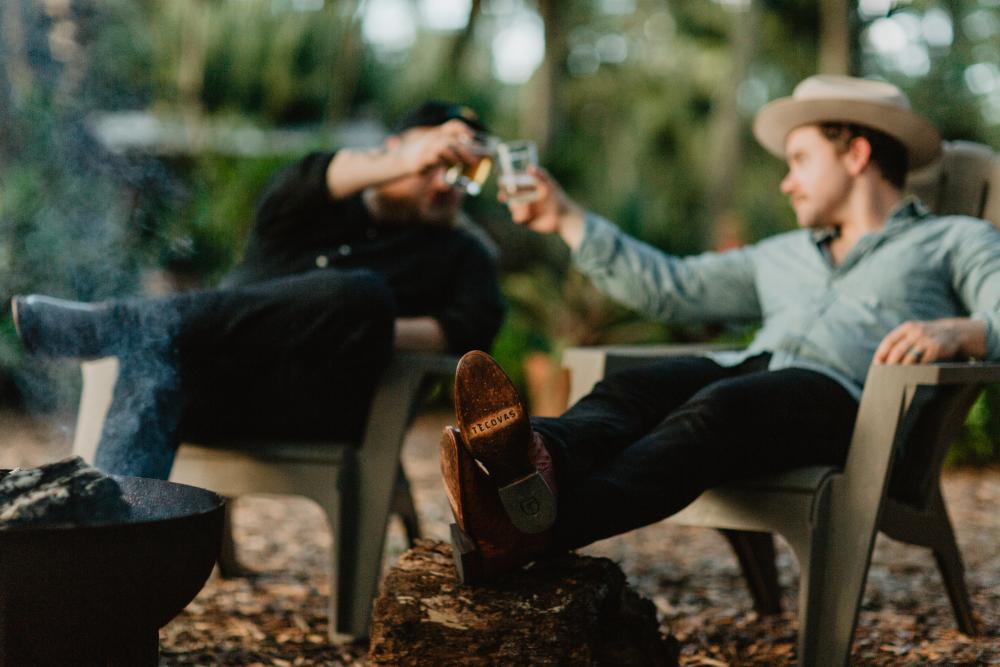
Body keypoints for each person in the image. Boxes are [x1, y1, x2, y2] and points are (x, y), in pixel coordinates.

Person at [440, 75, 1000, 583]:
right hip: (753, 372)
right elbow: (671, 286)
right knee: (632, 390)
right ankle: (529, 467)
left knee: (723, 407)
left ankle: (533, 530)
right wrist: (565, 217)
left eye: (799, 160)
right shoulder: (780, 255)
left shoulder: (954, 240)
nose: (787, 183)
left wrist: (964, 332)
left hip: (851, 408)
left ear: (856, 154)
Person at [12, 101, 505, 480]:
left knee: (361, 298)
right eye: (435, 162)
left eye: (462, 173)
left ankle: (114, 324)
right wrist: (406, 160)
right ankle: (115, 558)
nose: (445, 184)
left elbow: (467, 329)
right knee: (157, 357)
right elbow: (307, 176)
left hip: (309, 402)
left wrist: (356, 328)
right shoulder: (310, 203)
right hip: (211, 383)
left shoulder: (463, 253)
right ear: (392, 152)